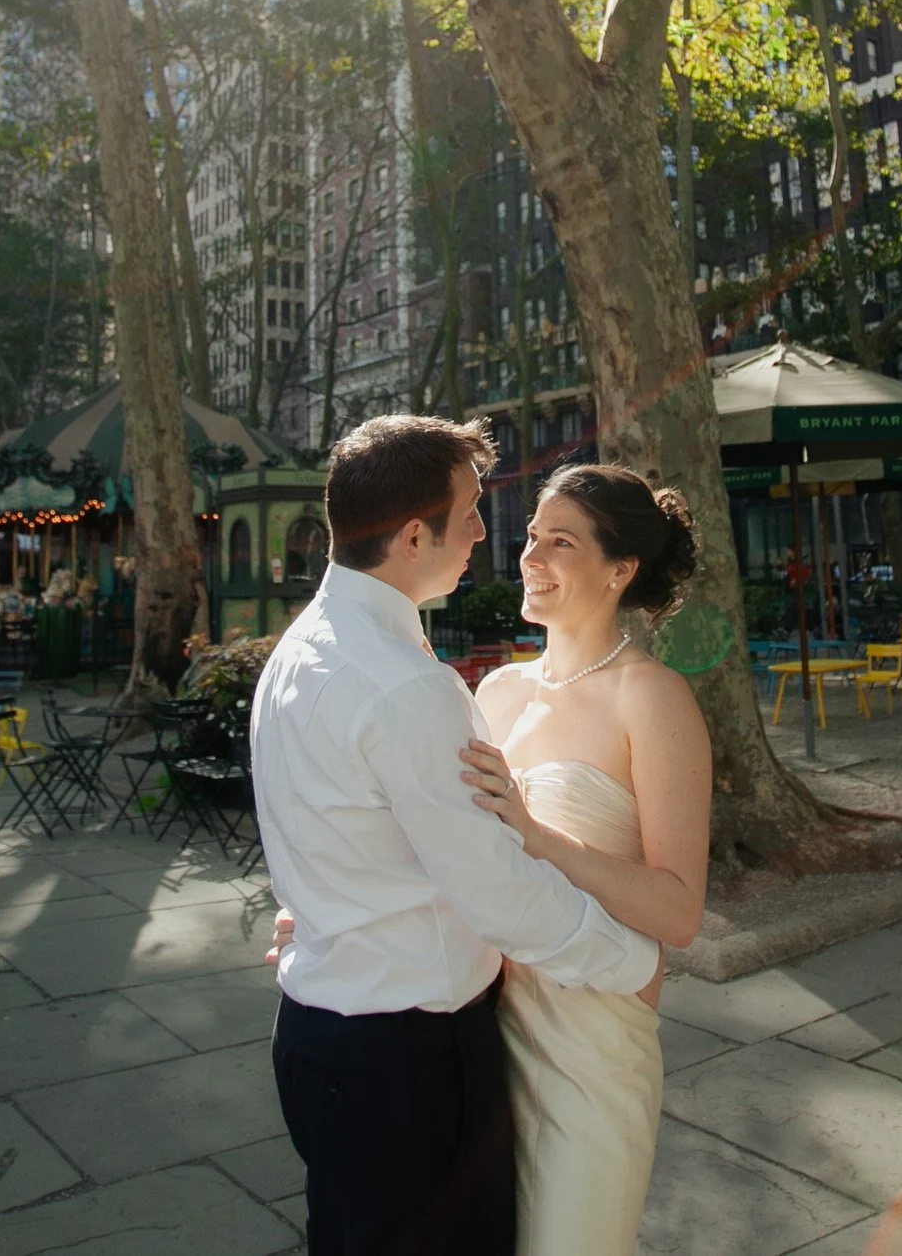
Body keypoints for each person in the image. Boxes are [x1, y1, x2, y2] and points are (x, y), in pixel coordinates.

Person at [252, 416, 661, 1256]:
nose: (488, 532)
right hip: (407, 1061)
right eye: (472, 511)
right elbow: (498, 890)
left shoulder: (296, 651)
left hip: (321, 1036)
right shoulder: (404, 685)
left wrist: (323, 912)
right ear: (411, 535)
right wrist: (632, 962)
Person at [463, 464, 712, 1256]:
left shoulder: (654, 697)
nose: (530, 554)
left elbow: (679, 912)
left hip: (592, 1042)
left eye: (560, 540)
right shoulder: (495, 692)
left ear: (620, 568)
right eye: (532, 535)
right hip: (478, 1033)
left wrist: (542, 838)